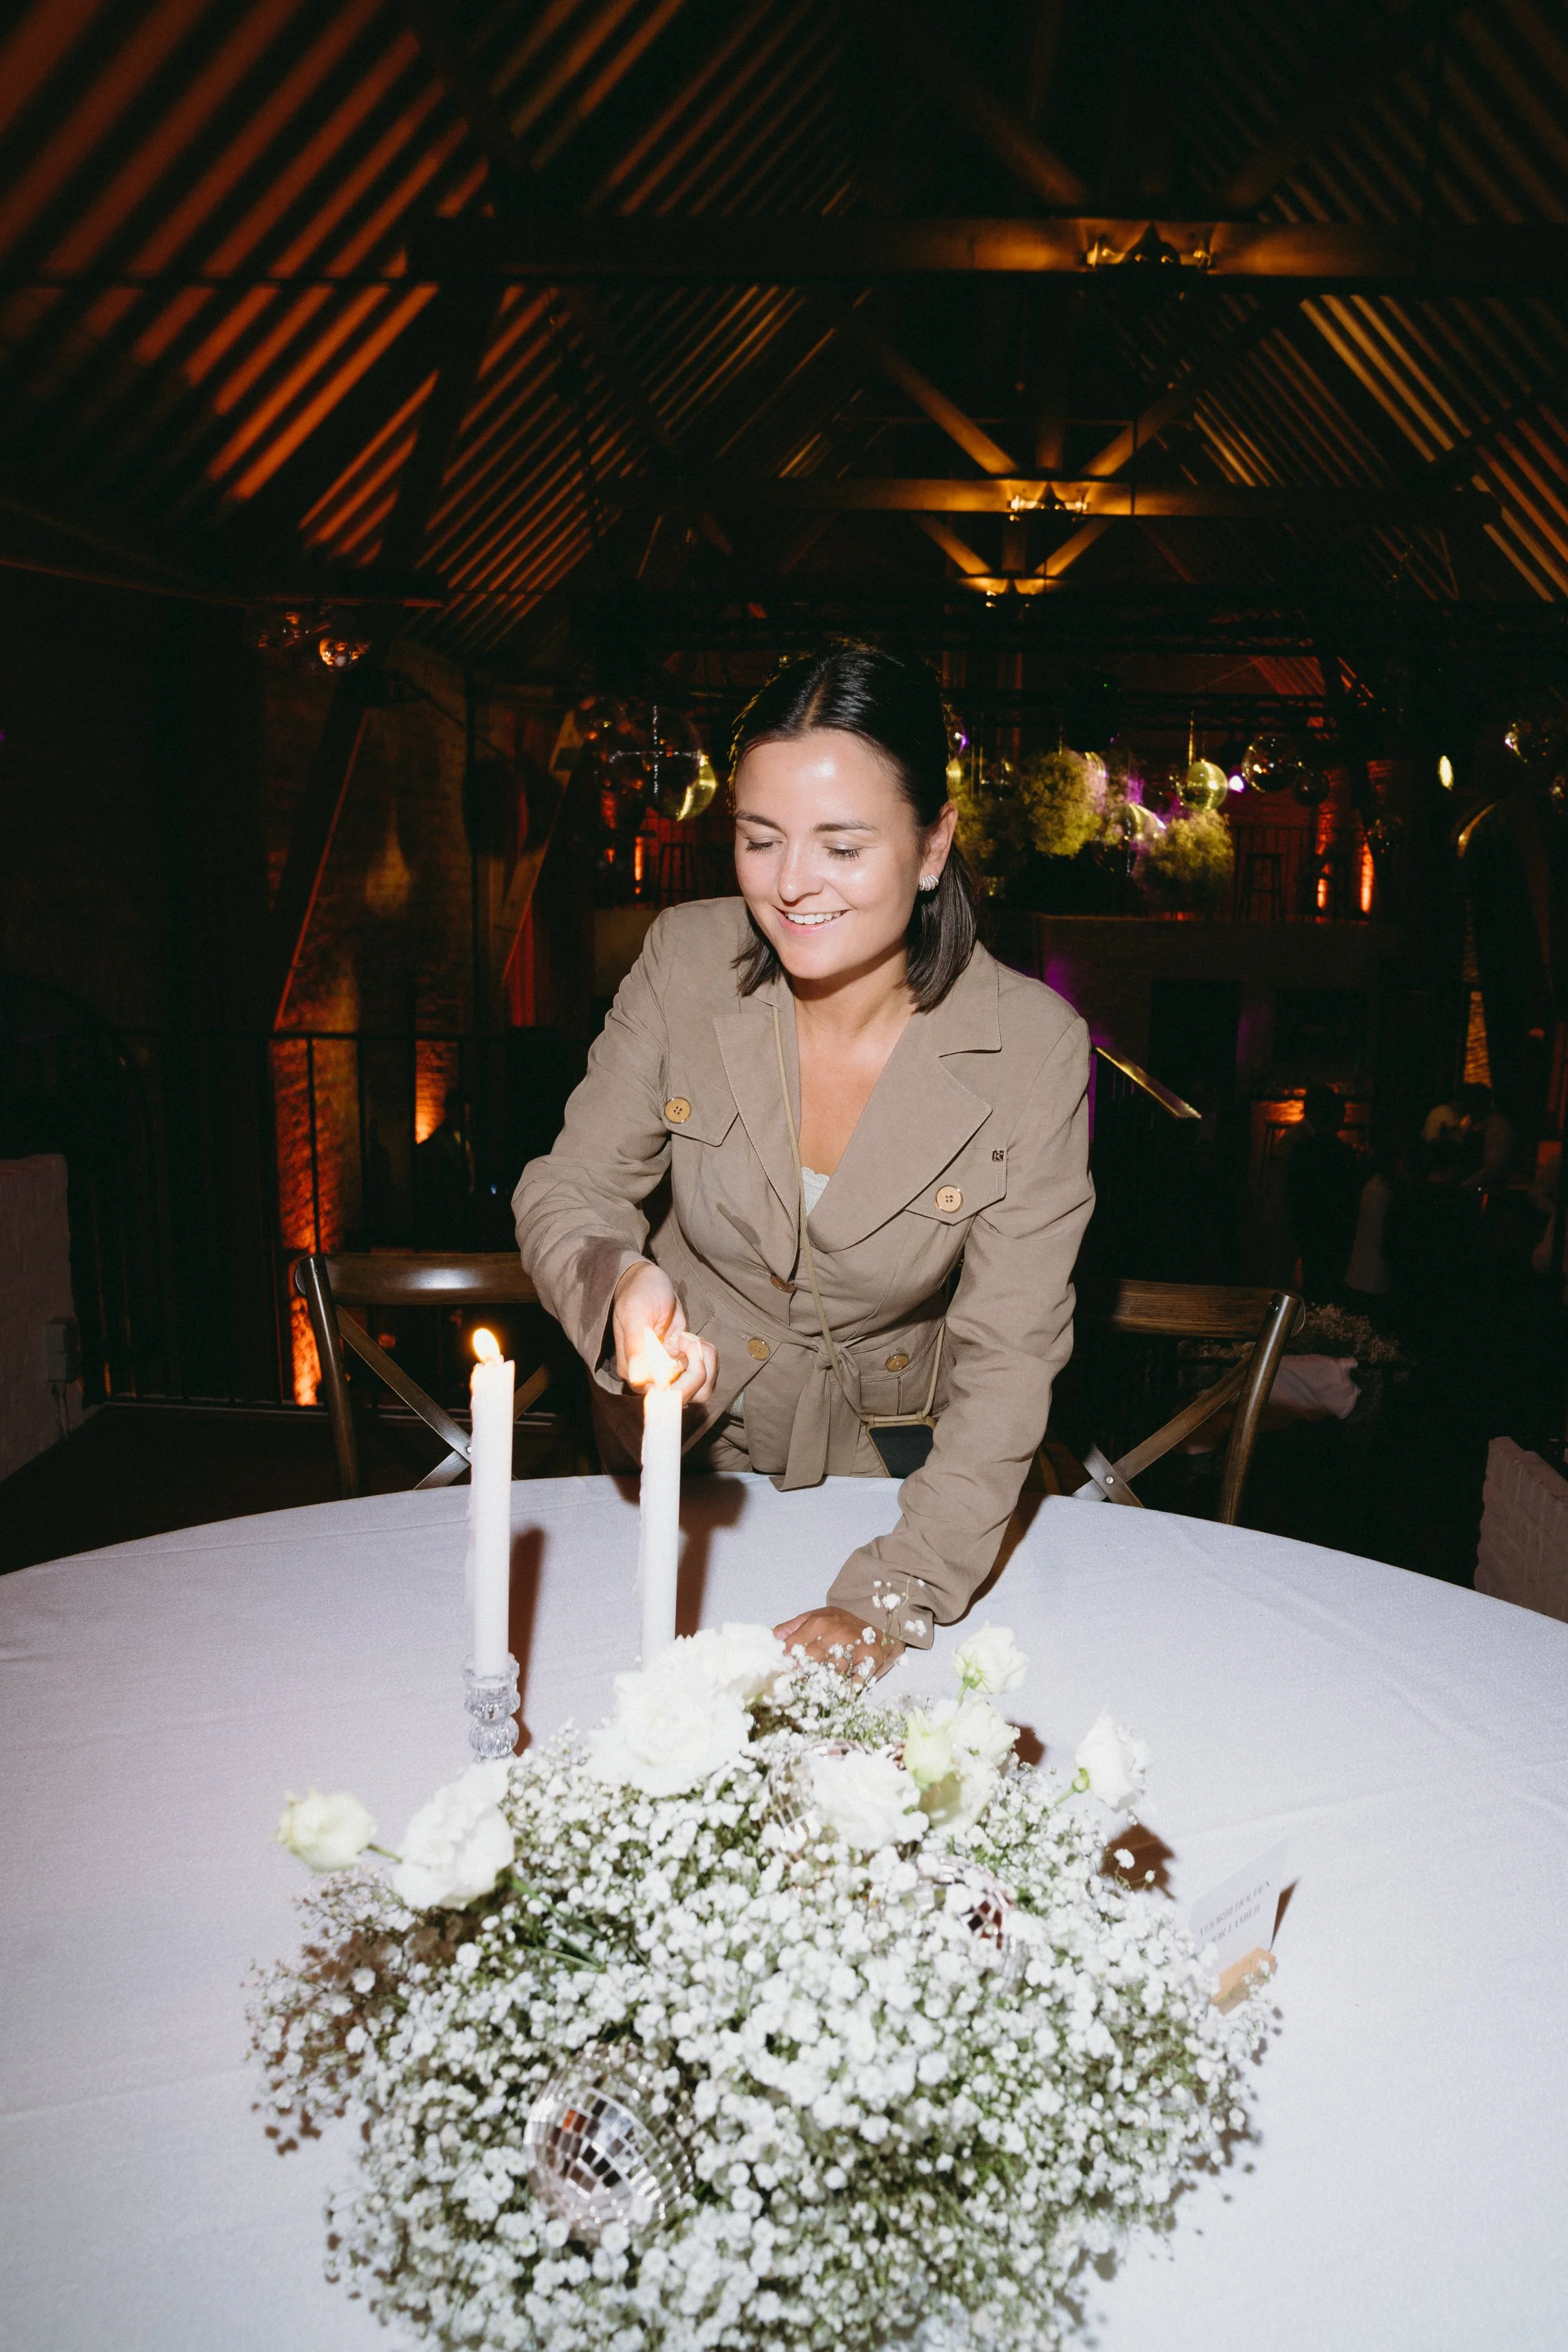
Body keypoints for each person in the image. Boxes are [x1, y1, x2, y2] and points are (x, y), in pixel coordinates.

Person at [513, 645, 1093, 1678]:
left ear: (931, 847)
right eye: (760, 839)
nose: (790, 886)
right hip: (681, 1468)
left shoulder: (1034, 1044)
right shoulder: (686, 961)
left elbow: (1010, 1355)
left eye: (841, 845)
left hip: (903, 1491)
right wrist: (623, 1288)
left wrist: (894, 1591)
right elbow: (571, 1188)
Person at [1285, 1084, 1362, 1301]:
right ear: (1336, 1118)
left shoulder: (1301, 1150)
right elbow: (1351, 1198)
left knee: (1312, 1281)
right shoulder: (1344, 1153)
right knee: (1333, 1286)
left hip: (1309, 1229)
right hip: (1336, 1232)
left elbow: (1295, 1193)